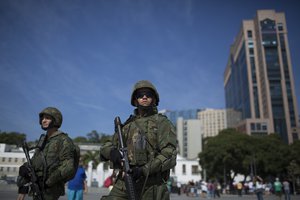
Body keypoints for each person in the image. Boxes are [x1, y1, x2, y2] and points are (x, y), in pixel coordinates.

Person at [100, 80, 177, 200]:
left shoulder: (162, 122)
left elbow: (169, 154)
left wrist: (143, 170)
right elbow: (106, 145)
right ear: (135, 100)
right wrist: (112, 152)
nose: (144, 97)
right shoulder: (127, 125)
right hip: (124, 183)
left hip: (151, 185)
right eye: (140, 95)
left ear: (154, 100)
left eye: (148, 95)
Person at [17, 107, 78, 200]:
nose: (43, 120)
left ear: (55, 120)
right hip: (37, 187)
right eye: (42, 118)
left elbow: (68, 167)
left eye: (47, 118)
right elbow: (34, 162)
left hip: (51, 190)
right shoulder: (43, 140)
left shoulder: (64, 140)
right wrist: (25, 171)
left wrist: (47, 182)